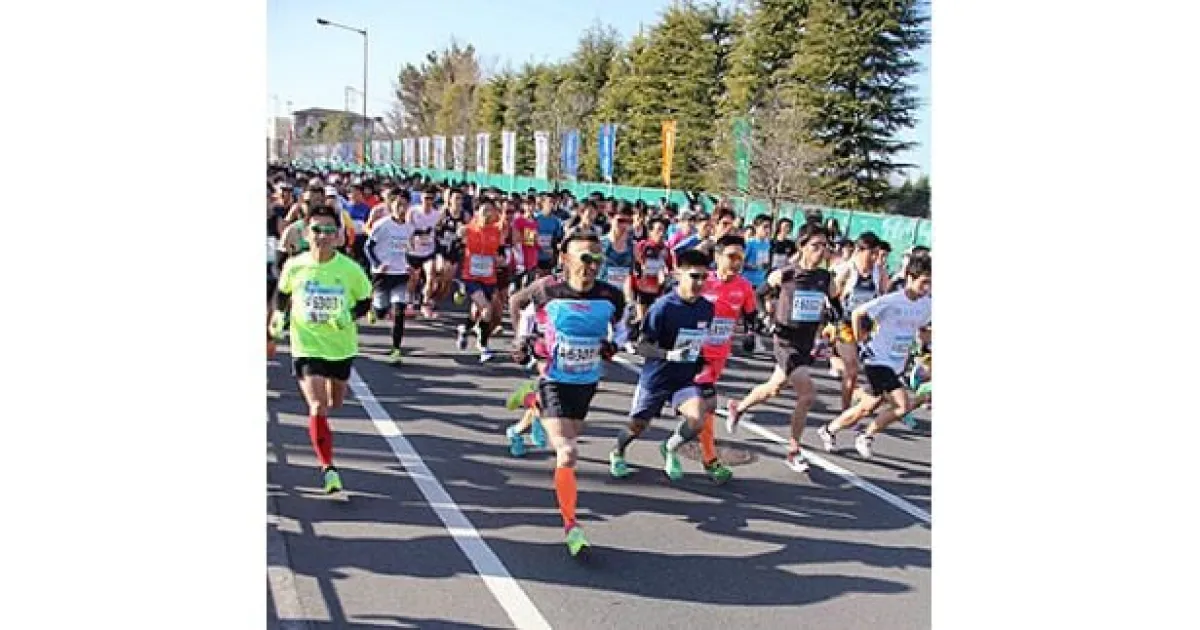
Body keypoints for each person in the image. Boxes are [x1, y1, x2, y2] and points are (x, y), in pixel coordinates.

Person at [508, 233, 626, 557]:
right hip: (553, 379)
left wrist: (614, 345)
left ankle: (531, 403)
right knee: (567, 453)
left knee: (569, 439)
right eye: (584, 258)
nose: (590, 266)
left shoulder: (611, 296)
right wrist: (521, 342)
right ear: (566, 259)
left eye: (596, 260)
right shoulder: (548, 290)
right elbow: (521, 308)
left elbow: (623, 327)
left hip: (586, 383)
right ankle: (571, 525)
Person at [268, 206, 372, 494]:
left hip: (340, 346)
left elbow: (366, 302)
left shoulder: (350, 270)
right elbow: (283, 293)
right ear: (306, 232)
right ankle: (328, 468)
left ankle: (326, 424)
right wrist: (279, 315)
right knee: (317, 406)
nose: (322, 236)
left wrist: (348, 316)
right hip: (306, 343)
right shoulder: (296, 265)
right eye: (316, 230)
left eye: (328, 231)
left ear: (338, 236)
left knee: (334, 402)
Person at [725, 224, 840, 472]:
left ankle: (738, 407)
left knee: (774, 388)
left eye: (825, 246)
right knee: (808, 395)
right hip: (784, 340)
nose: (821, 251)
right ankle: (793, 450)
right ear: (802, 247)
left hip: (806, 342)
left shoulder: (825, 278)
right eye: (815, 246)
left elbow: (836, 305)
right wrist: (766, 320)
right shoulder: (786, 274)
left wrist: (833, 318)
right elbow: (758, 295)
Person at [609, 248, 717, 482]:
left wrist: (700, 361)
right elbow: (641, 346)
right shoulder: (663, 307)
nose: (699, 283)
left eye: (703, 277)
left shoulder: (706, 308)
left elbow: (698, 341)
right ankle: (618, 451)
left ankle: (669, 447)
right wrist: (669, 355)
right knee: (637, 426)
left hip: (683, 379)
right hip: (656, 378)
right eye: (694, 276)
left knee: (698, 419)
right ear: (679, 274)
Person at [818, 256, 932, 458]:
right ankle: (866, 436)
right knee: (902, 405)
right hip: (877, 359)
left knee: (866, 407)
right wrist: (861, 341)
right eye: (924, 281)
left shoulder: (927, 304)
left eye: (931, 282)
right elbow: (858, 314)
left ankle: (829, 429)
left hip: (897, 361)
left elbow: (922, 328)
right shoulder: (892, 300)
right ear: (909, 278)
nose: (927, 287)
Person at [689, 235, 758, 483]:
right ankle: (709, 458)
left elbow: (750, 315)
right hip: (691, 353)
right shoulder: (702, 281)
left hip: (718, 354)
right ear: (717, 257)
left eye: (740, 257)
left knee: (702, 407)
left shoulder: (744, 287)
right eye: (731, 256)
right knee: (704, 405)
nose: (736, 262)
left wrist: (750, 334)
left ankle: (704, 455)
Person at [829, 231, 885, 409]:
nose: (875, 258)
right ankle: (845, 410)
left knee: (873, 371)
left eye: (877, 253)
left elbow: (885, 298)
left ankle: (859, 396)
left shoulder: (879, 273)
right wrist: (834, 317)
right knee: (852, 370)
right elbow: (831, 294)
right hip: (845, 324)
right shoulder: (848, 269)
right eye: (872, 253)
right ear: (860, 251)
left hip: (867, 326)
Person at [363, 198, 415, 364]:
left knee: (399, 312)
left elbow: (408, 250)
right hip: (383, 274)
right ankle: (373, 307)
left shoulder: (409, 228)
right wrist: (378, 264)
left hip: (400, 274)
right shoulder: (382, 225)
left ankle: (396, 349)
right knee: (381, 312)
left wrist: (409, 265)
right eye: (398, 205)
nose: (401, 208)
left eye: (404, 205)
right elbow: (368, 247)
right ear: (391, 206)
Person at [456, 201, 505, 362]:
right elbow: (456, 238)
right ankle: (483, 345)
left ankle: (465, 329)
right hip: (471, 277)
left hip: (489, 277)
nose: (487, 214)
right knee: (486, 309)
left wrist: (500, 259)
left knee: (477, 312)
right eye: (483, 211)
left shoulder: (496, 231)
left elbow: (500, 252)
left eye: (490, 211)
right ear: (477, 212)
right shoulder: (469, 229)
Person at [629, 217, 675, 349]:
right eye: (658, 230)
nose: (662, 233)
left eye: (664, 231)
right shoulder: (642, 246)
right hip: (641, 287)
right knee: (641, 317)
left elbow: (670, 268)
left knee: (652, 317)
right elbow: (636, 265)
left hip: (658, 289)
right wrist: (642, 271)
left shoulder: (666, 249)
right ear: (650, 232)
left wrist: (666, 275)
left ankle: (645, 340)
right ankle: (633, 339)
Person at [407, 188, 443, 318]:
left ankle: (425, 304)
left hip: (429, 251)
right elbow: (407, 228)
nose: (428, 201)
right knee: (413, 279)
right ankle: (410, 302)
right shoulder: (413, 211)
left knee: (430, 275)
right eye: (426, 198)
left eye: (431, 199)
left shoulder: (437, 214)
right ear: (421, 198)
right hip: (413, 251)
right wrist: (410, 242)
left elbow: (439, 231)